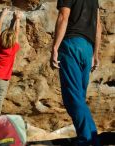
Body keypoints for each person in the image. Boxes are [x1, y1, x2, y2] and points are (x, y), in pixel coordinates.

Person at [51, 0, 102, 146]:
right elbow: (98, 26)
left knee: (72, 97)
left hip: (71, 45)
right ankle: (92, 138)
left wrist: (55, 47)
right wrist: (95, 54)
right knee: (79, 97)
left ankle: (86, 139)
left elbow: (63, 16)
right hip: (87, 49)